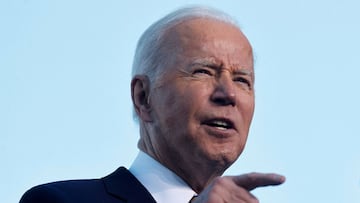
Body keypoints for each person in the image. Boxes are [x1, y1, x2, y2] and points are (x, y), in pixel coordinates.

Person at [20, 6, 285, 203]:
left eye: (242, 80)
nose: (229, 94)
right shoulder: (58, 200)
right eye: (203, 72)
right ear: (143, 97)